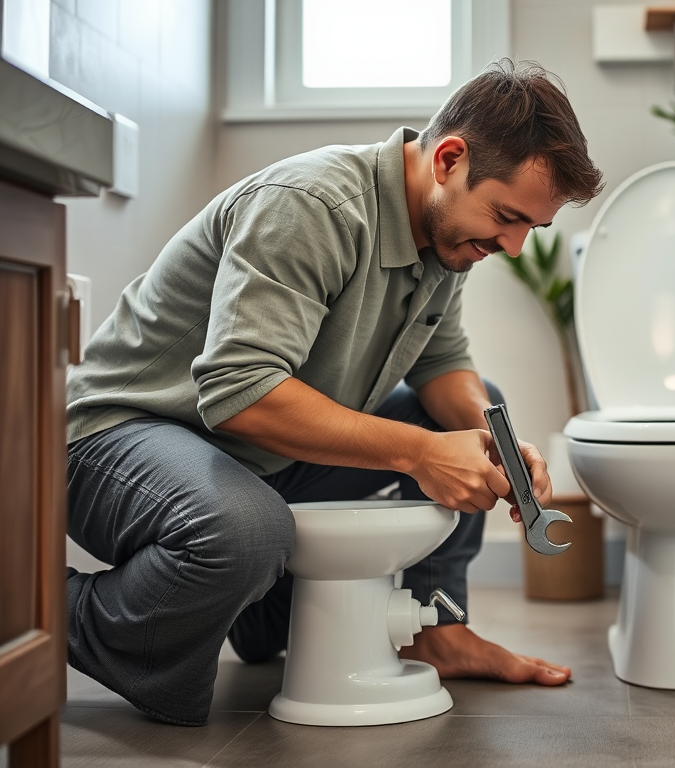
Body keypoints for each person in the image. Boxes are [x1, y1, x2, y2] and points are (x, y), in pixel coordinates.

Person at [64, 58, 604, 726]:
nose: (515, 245)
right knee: (249, 531)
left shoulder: (447, 238)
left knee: (470, 418)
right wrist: (419, 456)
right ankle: (49, 609)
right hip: (116, 434)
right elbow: (241, 391)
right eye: (506, 216)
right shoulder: (312, 207)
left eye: (532, 227)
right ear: (449, 159)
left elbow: (443, 364)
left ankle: (432, 628)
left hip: (250, 456)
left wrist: (490, 443)